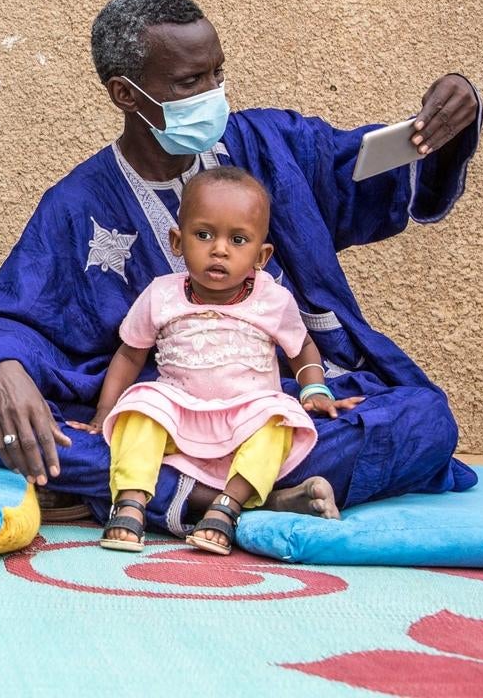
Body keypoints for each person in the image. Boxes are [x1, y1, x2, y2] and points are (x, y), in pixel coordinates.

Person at [0, 0, 481, 538]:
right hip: (156, 408)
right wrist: (2, 366)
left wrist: (446, 122)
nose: (214, 93)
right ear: (126, 94)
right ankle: (224, 498)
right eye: (192, 82)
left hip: (276, 405)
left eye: (217, 73)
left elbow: (364, 166)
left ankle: (143, 491)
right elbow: (9, 312)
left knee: (424, 421)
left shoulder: (269, 146)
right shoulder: (79, 202)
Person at [82, 167, 351, 556]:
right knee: (138, 409)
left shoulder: (273, 300)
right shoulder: (162, 295)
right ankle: (130, 502)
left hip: (246, 416)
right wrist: (103, 411)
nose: (219, 249)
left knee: (280, 419)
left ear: (261, 255)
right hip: (178, 412)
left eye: (238, 240)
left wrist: (314, 387)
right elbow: (129, 352)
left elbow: (302, 348)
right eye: (203, 235)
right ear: (177, 240)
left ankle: (227, 505)